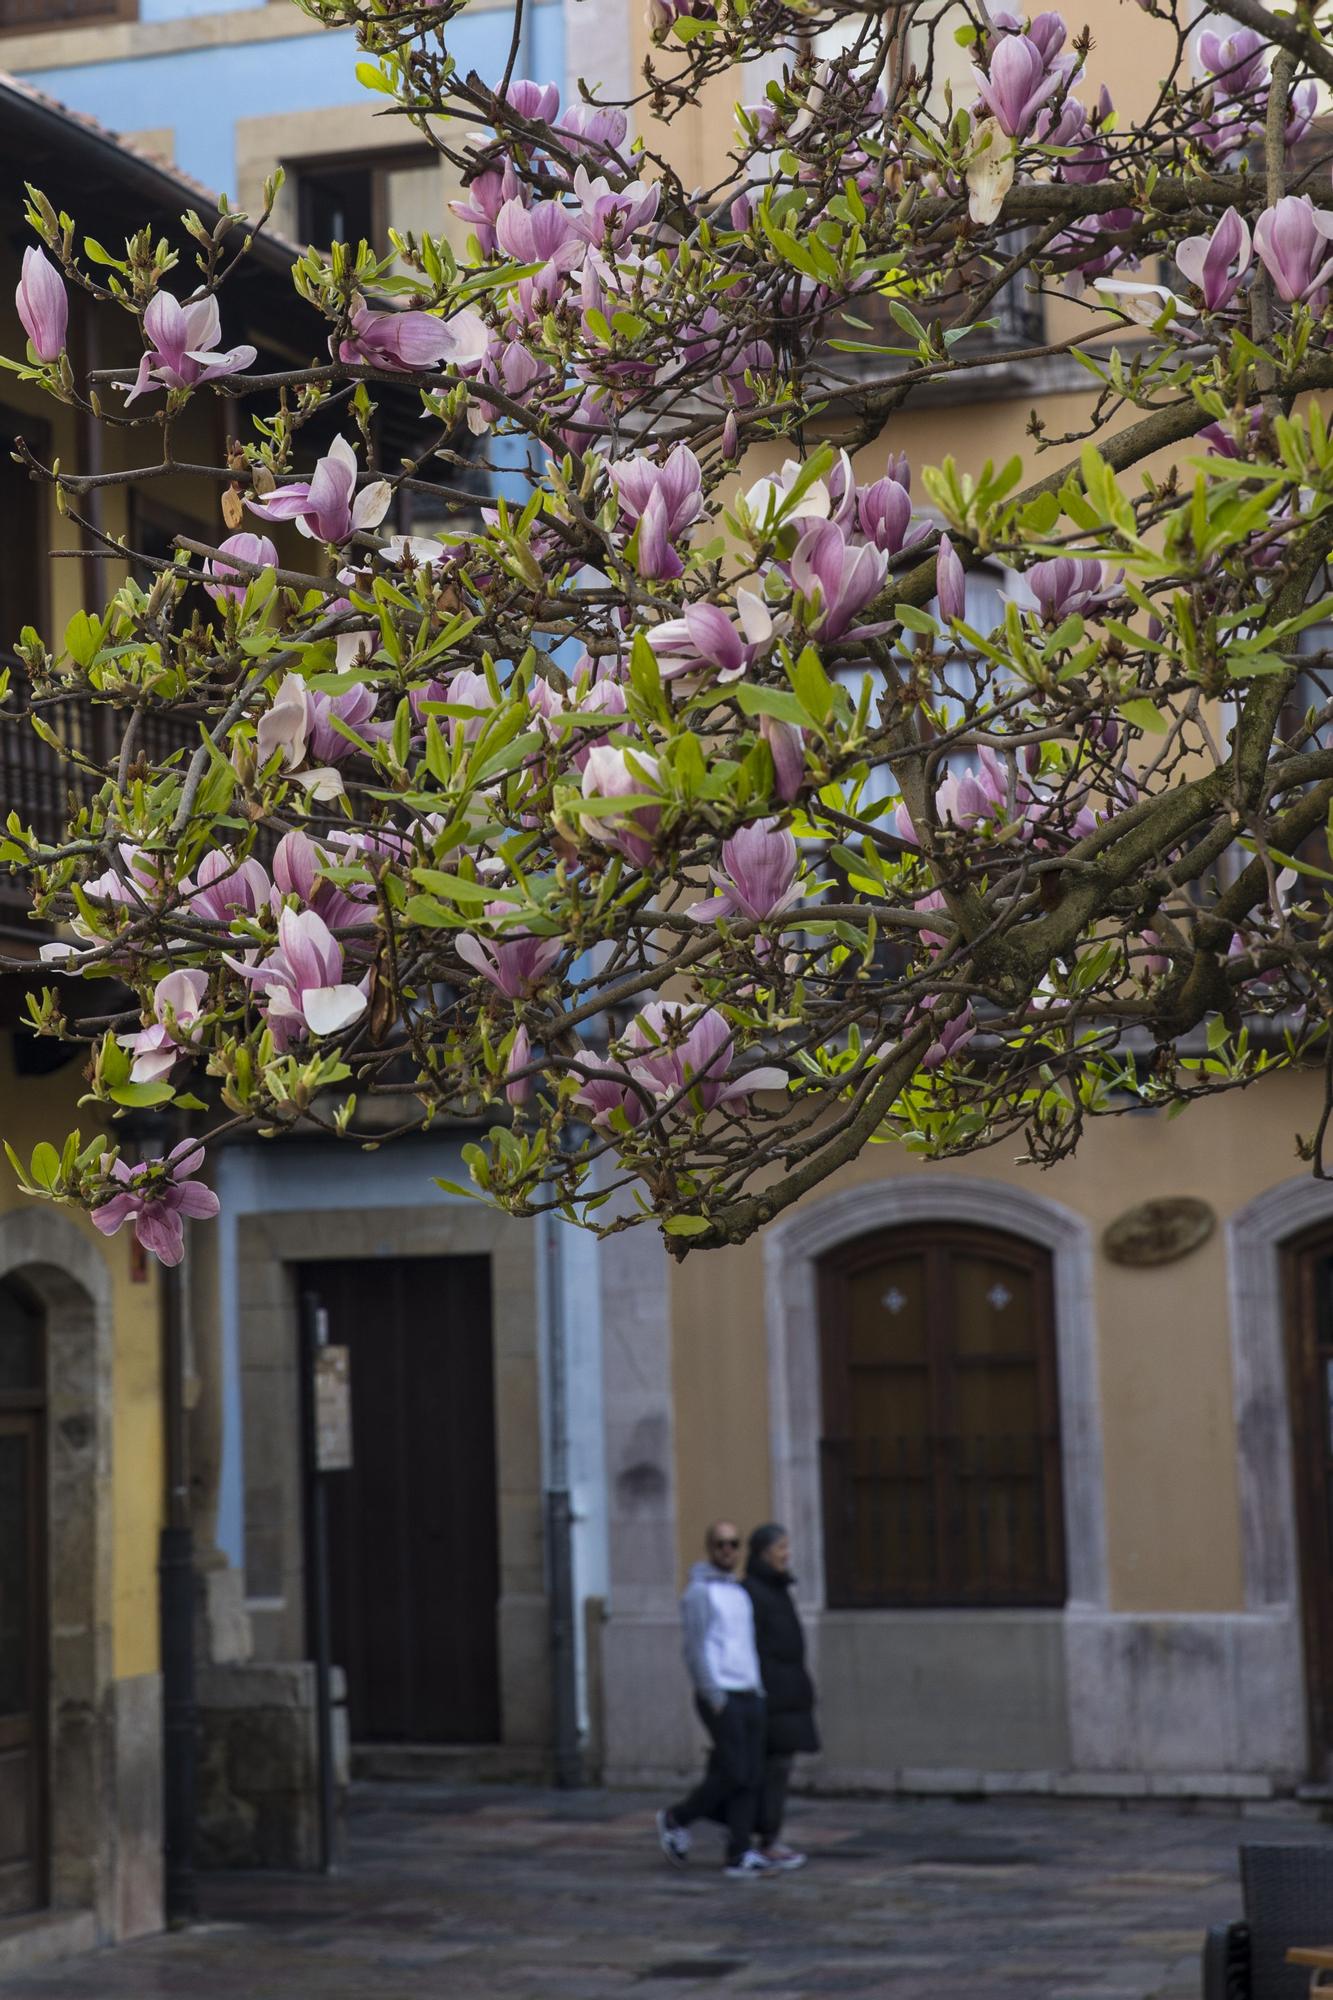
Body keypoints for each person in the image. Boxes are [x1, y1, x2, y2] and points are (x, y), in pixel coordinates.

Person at [656, 1520, 776, 1879]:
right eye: (721, 1544)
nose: (728, 1550)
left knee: (751, 1776)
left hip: (749, 1693)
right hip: (722, 1695)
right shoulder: (699, 1593)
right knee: (736, 1771)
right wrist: (714, 1695)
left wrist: (757, 1690)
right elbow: (694, 1649)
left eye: (733, 1544)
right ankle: (677, 1817)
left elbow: (745, 1645)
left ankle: (739, 1852)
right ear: (710, 1549)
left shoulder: (740, 1593)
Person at [743, 1523, 819, 1872]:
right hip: (771, 1696)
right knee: (768, 1770)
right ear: (763, 1553)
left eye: (787, 1546)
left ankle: (763, 1837)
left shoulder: (776, 1588)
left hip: (786, 1693)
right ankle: (762, 1840)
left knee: (778, 1768)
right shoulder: (755, 1591)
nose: (786, 1554)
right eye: (780, 1547)